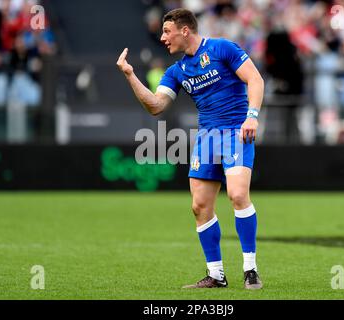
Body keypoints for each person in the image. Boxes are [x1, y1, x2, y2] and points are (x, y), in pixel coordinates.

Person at [116, 8, 265, 289]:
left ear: (185, 31)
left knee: (237, 194)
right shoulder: (177, 71)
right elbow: (156, 106)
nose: (162, 38)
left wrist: (252, 116)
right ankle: (216, 275)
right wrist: (130, 75)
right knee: (199, 206)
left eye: (166, 32)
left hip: (236, 131)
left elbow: (255, 79)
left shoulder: (222, 48)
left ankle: (250, 269)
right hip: (207, 137)